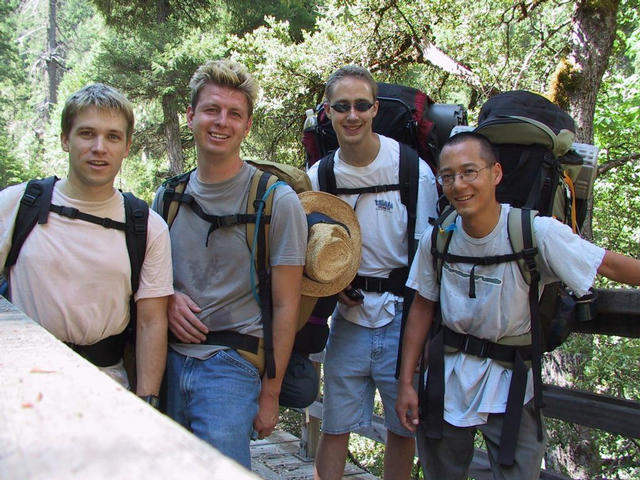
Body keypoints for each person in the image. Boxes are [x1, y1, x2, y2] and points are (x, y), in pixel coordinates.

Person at [396, 131, 640, 479]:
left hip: (509, 383)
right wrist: (407, 382)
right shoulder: (439, 238)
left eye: (469, 172)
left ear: (495, 173)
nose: (458, 184)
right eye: (447, 176)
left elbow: (609, 265)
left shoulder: (534, 232)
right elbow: (422, 306)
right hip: (445, 380)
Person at [152, 59, 307, 469]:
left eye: (234, 114)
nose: (221, 122)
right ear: (191, 116)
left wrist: (270, 393)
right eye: (211, 110)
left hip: (233, 367)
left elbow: (287, 304)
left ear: (247, 126)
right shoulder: (166, 198)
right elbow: (150, 282)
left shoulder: (276, 202)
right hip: (166, 360)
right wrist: (167, 298)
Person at [0, 83, 173, 403]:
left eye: (112, 136)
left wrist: (147, 401)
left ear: (127, 145)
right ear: (66, 139)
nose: (99, 147)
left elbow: (151, 322)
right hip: (18, 387)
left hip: (105, 389)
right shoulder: (15, 205)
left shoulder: (147, 227)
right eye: (86, 133)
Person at [307, 65, 439, 480]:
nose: (352, 115)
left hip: (403, 314)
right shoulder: (321, 176)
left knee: (403, 428)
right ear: (328, 112)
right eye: (342, 107)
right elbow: (310, 250)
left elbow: (427, 255)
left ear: (375, 109)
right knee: (334, 425)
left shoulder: (411, 169)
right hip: (348, 317)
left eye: (362, 106)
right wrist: (334, 283)